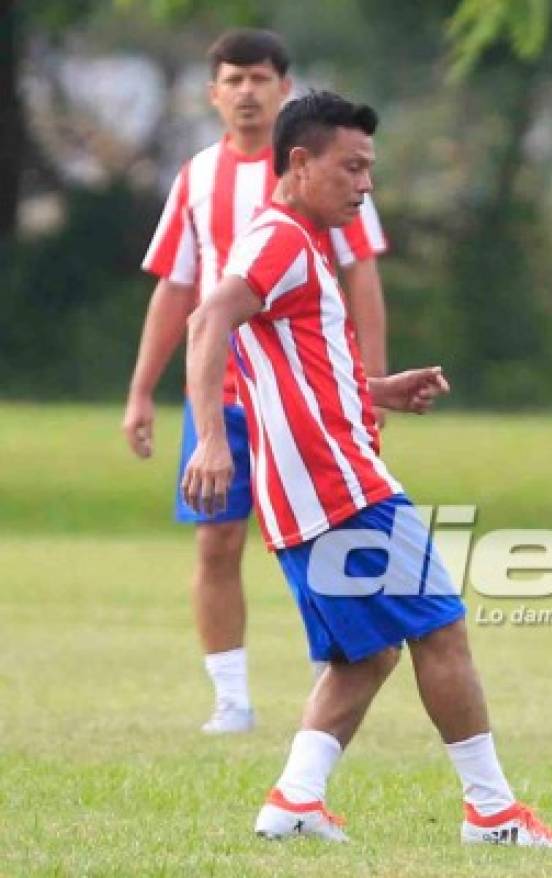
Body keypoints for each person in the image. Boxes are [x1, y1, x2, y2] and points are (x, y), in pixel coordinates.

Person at [180, 90, 552, 848]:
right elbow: (207, 319)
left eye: (371, 170)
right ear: (300, 163)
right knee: (442, 632)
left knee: (366, 656)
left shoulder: (292, 241)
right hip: (341, 489)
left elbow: (294, 364)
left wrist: (376, 390)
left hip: (306, 496)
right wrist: (208, 438)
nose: (365, 185)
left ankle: (294, 801)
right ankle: (491, 812)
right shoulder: (282, 241)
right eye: (352, 167)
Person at [123, 29, 389, 735]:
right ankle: (232, 699)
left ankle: (331, 677)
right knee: (217, 542)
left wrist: (371, 382)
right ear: (214, 94)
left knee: (325, 531)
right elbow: (180, 291)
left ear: (283, 88)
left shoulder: (330, 170)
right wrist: (142, 389)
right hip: (225, 396)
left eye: (259, 78)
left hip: (303, 396)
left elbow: (362, 275)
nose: (246, 92)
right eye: (233, 80)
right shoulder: (196, 178)